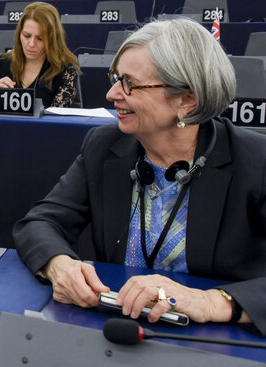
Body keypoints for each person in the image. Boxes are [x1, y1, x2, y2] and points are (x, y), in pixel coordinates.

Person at [13, 18, 266, 336]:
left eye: (130, 83)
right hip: (117, 333)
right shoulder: (104, 146)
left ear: (186, 100)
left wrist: (213, 302)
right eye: (116, 78)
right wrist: (59, 264)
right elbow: (39, 223)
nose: (111, 93)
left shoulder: (255, 161)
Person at [0, 2, 79, 107]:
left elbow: (57, 119)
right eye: (26, 35)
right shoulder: (0, 64)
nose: (32, 44)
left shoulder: (65, 69)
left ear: (52, 39)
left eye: (40, 38)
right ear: (19, 34)